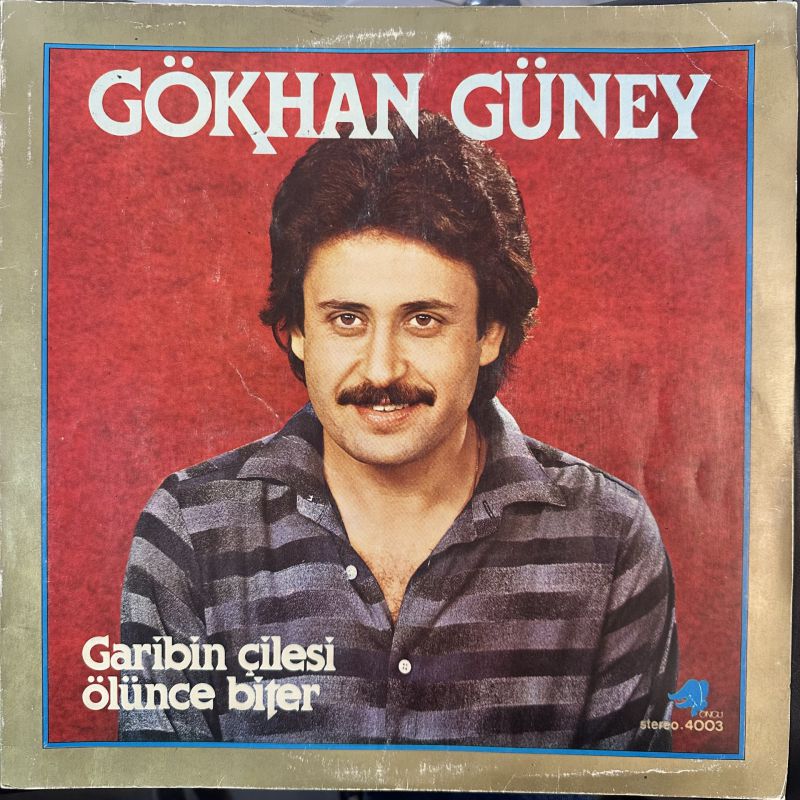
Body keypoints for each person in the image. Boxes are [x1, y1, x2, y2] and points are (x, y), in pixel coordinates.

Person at [120, 111, 678, 749]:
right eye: (347, 319)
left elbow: (626, 791)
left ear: (489, 331)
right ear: (298, 330)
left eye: (423, 320)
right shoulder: (188, 530)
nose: (381, 370)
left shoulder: (612, 536)